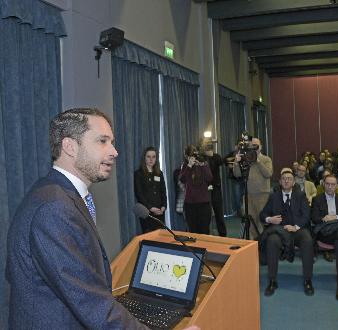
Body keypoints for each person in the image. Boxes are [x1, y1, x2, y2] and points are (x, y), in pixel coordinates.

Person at [6, 108, 148, 328]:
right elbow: (89, 302)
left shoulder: (56, 193)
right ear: (70, 147)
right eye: (102, 141)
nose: (114, 151)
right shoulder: (54, 207)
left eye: (112, 142)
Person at [260, 168, 314, 297]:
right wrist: (270, 219)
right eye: (284, 179)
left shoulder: (300, 195)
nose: (286, 181)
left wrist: (296, 227)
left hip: (297, 230)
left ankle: (308, 280)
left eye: (289, 179)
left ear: (294, 182)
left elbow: (306, 215)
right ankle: (272, 281)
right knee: (272, 241)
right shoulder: (274, 196)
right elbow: (262, 215)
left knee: (307, 241)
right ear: (280, 181)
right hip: (279, 231)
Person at [311, 174, 338, 300]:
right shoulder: (317, 199)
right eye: (328, 184)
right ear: (323, 184)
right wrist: (324, 218)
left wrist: (336, 217)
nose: (330, 187)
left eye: (333, 184)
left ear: (337, 186)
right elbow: (314, 218)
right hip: (325, 233)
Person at [233, 137, 273, 239]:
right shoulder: (246, 159)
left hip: (262, 194)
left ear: (261, 147)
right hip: (248, 195)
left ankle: (263, 243)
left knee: (261, 221)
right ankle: (252, 244)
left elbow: (268, 173)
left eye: (256, 145)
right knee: (250, 222)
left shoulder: (266, 159)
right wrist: (236, 162)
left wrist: (258, 161)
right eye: (252, 145)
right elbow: (237, 174)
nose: (254, 147)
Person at [179, 145, 213, 234]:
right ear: (186, 157)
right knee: (193, 230)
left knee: (204, 230)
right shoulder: (185, 166)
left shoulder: (203, 164)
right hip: (190, 203)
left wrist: (203, 165)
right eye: (190, 156)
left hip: (204, 203)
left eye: (194, 155)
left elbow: (209, 178)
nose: (193, 158)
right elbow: (182, 179)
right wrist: (189, 166)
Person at [134, 146, 167, 233]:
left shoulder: (159, 173)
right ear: (144, 158)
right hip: (147, 212)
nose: (151, 159)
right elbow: (139, 194)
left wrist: (164, 206)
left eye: (153, 157)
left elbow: (163, 191)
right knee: (149, 237)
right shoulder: (139, 174)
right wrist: (150, 208)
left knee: (160, 236)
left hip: (160, 212)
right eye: (148, 156)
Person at [203, 141, 227, 236]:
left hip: (216, 188)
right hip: (205, 189)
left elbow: (221, 162)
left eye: (209, 147)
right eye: (206, 147)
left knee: (219, 213)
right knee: (206, 214)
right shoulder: (202, 158)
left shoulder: (216, 157)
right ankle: (207, 234)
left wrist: (212, 156)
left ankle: (223, 234)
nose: (208, 149)